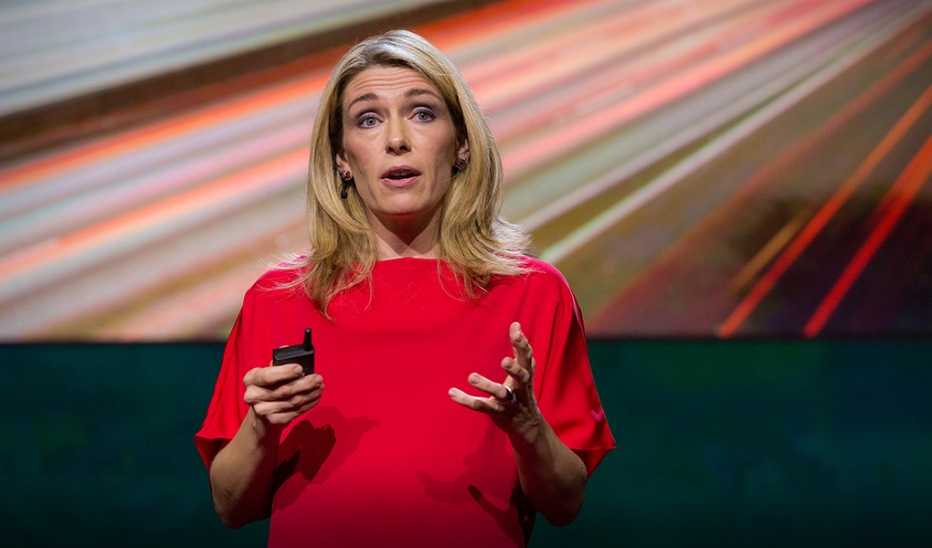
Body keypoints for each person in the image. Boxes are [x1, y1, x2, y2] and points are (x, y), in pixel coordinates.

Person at [194, 29, 615, 547]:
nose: (396, 139)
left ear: (461, 144)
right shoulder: (277, 299)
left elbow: (565, 503)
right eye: (368, 119)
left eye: (422, 113)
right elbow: (231, 506)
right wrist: (261, 426)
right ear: (342, 159)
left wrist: (527, 427)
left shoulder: (533, 293)